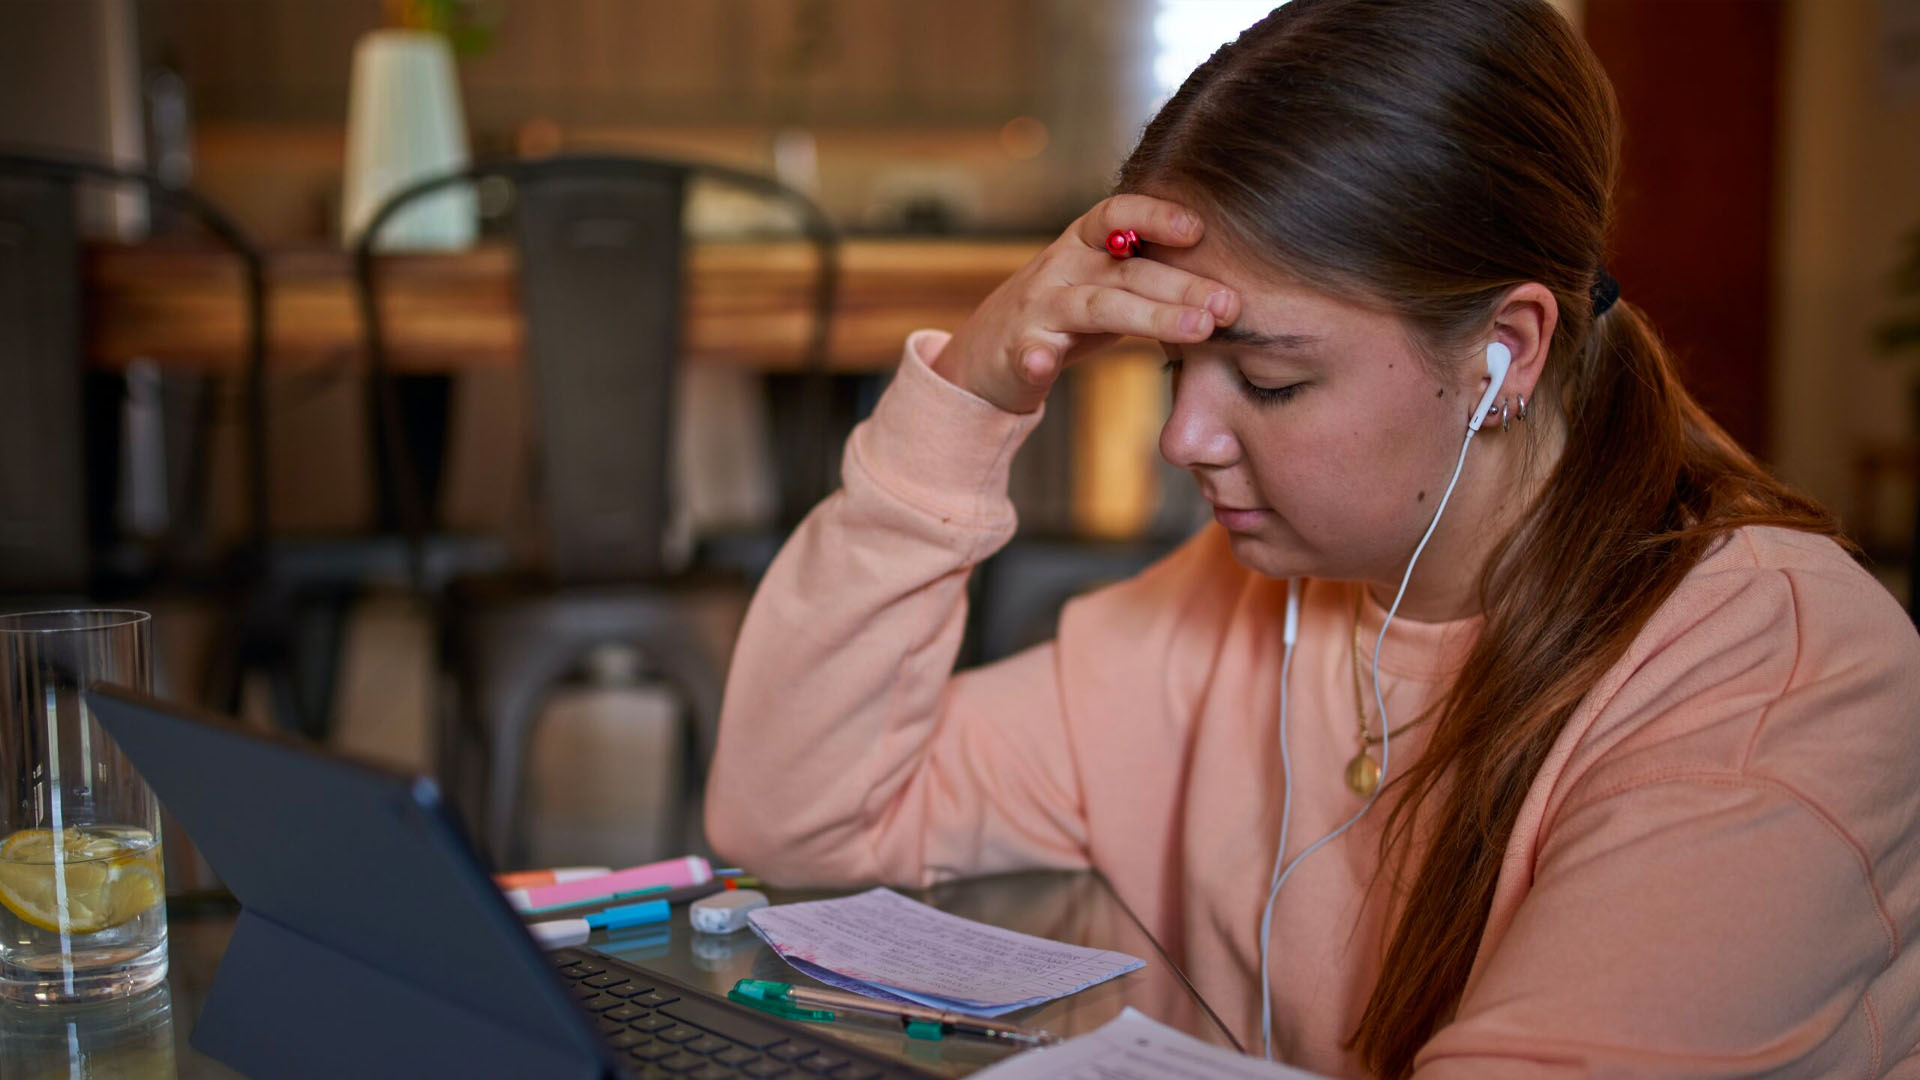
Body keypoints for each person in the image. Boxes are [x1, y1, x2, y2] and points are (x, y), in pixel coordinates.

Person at [704, 0, 1920, 1075]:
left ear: (1507, 354)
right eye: (1177, 364)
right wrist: (972, 393)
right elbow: (801, 820)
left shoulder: (1777, 675)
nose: (1183, 439)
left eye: (1271, 380)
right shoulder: (1229, 608)